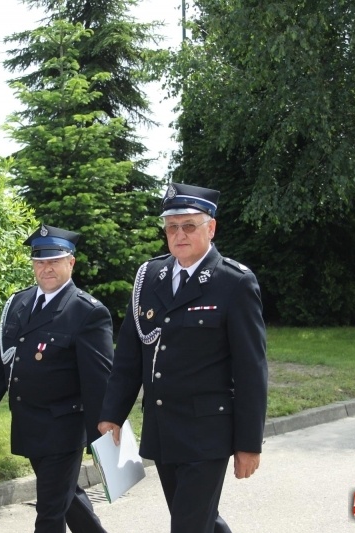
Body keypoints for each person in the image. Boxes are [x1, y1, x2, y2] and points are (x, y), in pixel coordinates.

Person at [98, 183, 268, 533]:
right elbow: (130, 355)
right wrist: (112, 415)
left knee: (188, 525)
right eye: (172, 227)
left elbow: (251, 370)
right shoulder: (150, 277)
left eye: (189, 225)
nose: (179, 234)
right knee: (196, 519)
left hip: (208, 432)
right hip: (163, 429)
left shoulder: (234, 283)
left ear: (211, 228)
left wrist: (249, 444)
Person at [0, 224, 112, 533]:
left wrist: (105, 436)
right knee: (66, 498)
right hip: (29, 425)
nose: (46, 268)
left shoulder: (87, 312)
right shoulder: (19, 303)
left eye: (54, 261)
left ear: (71, 262)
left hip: (64, 429)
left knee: (49, 512)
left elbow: (99, 381)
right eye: (40, 261)